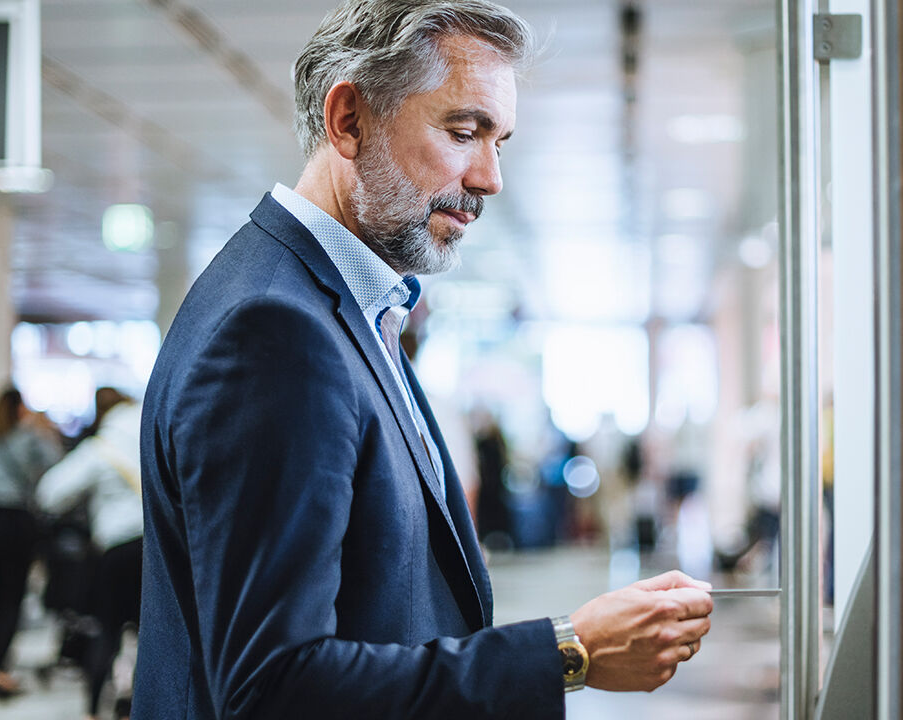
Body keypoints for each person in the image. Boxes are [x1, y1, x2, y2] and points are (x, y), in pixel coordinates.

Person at [133, 2, 714, 718]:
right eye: (464, 132)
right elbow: (273, 690)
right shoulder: (273, 330)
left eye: (499, 141)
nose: (491, 176)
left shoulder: (349, 305)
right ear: (349, 120)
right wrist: (569, 650)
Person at [37, 390, 143, 720]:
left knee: (106, 632)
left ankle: (94, 710)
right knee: (153, 634)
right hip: (155, 550)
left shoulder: (101, 448)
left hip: (115, 551)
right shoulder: (157, 437)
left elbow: (49, 494)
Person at [0, 386, 62, 698]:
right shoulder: (28, 438)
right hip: (17, 521)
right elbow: (55, 461)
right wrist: (40, 427)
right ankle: (1, 667)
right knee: (13, 597)